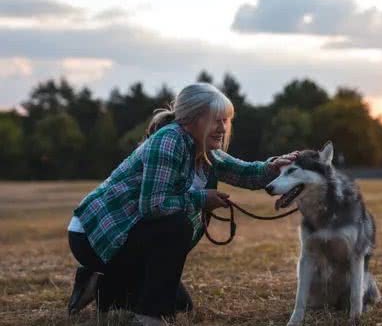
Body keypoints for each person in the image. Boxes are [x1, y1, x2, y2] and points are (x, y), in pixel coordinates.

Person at [66, 83, 298, 325]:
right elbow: (154, 206)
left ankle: (100, 284)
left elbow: (247, 174)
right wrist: (201, 199)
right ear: (193, 119)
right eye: (216, 120)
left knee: (181, 306)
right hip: (95, 235)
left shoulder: (206, 150)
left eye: (226, 121)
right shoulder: (169, 141)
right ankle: (148, 317)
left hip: (129, 236)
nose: (222, 128)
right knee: (176, 226)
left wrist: (274, 166)